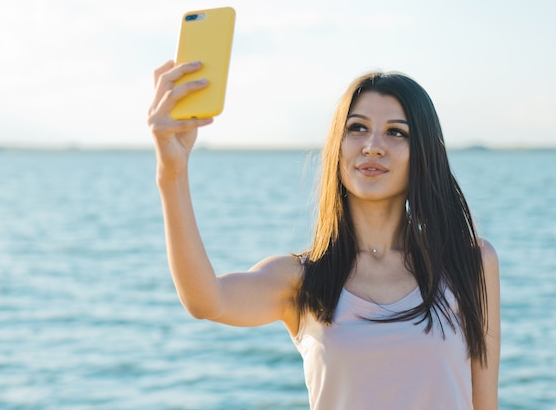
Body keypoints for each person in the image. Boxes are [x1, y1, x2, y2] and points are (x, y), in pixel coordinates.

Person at [147, 60, 501, 410]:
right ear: (337, 146)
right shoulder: (302, 280)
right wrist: (171, 171)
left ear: (422, 152)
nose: (372, 146)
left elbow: (484, 404)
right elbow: (207, 300)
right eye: (357, 128)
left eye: (396, 132)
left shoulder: (470, 263)